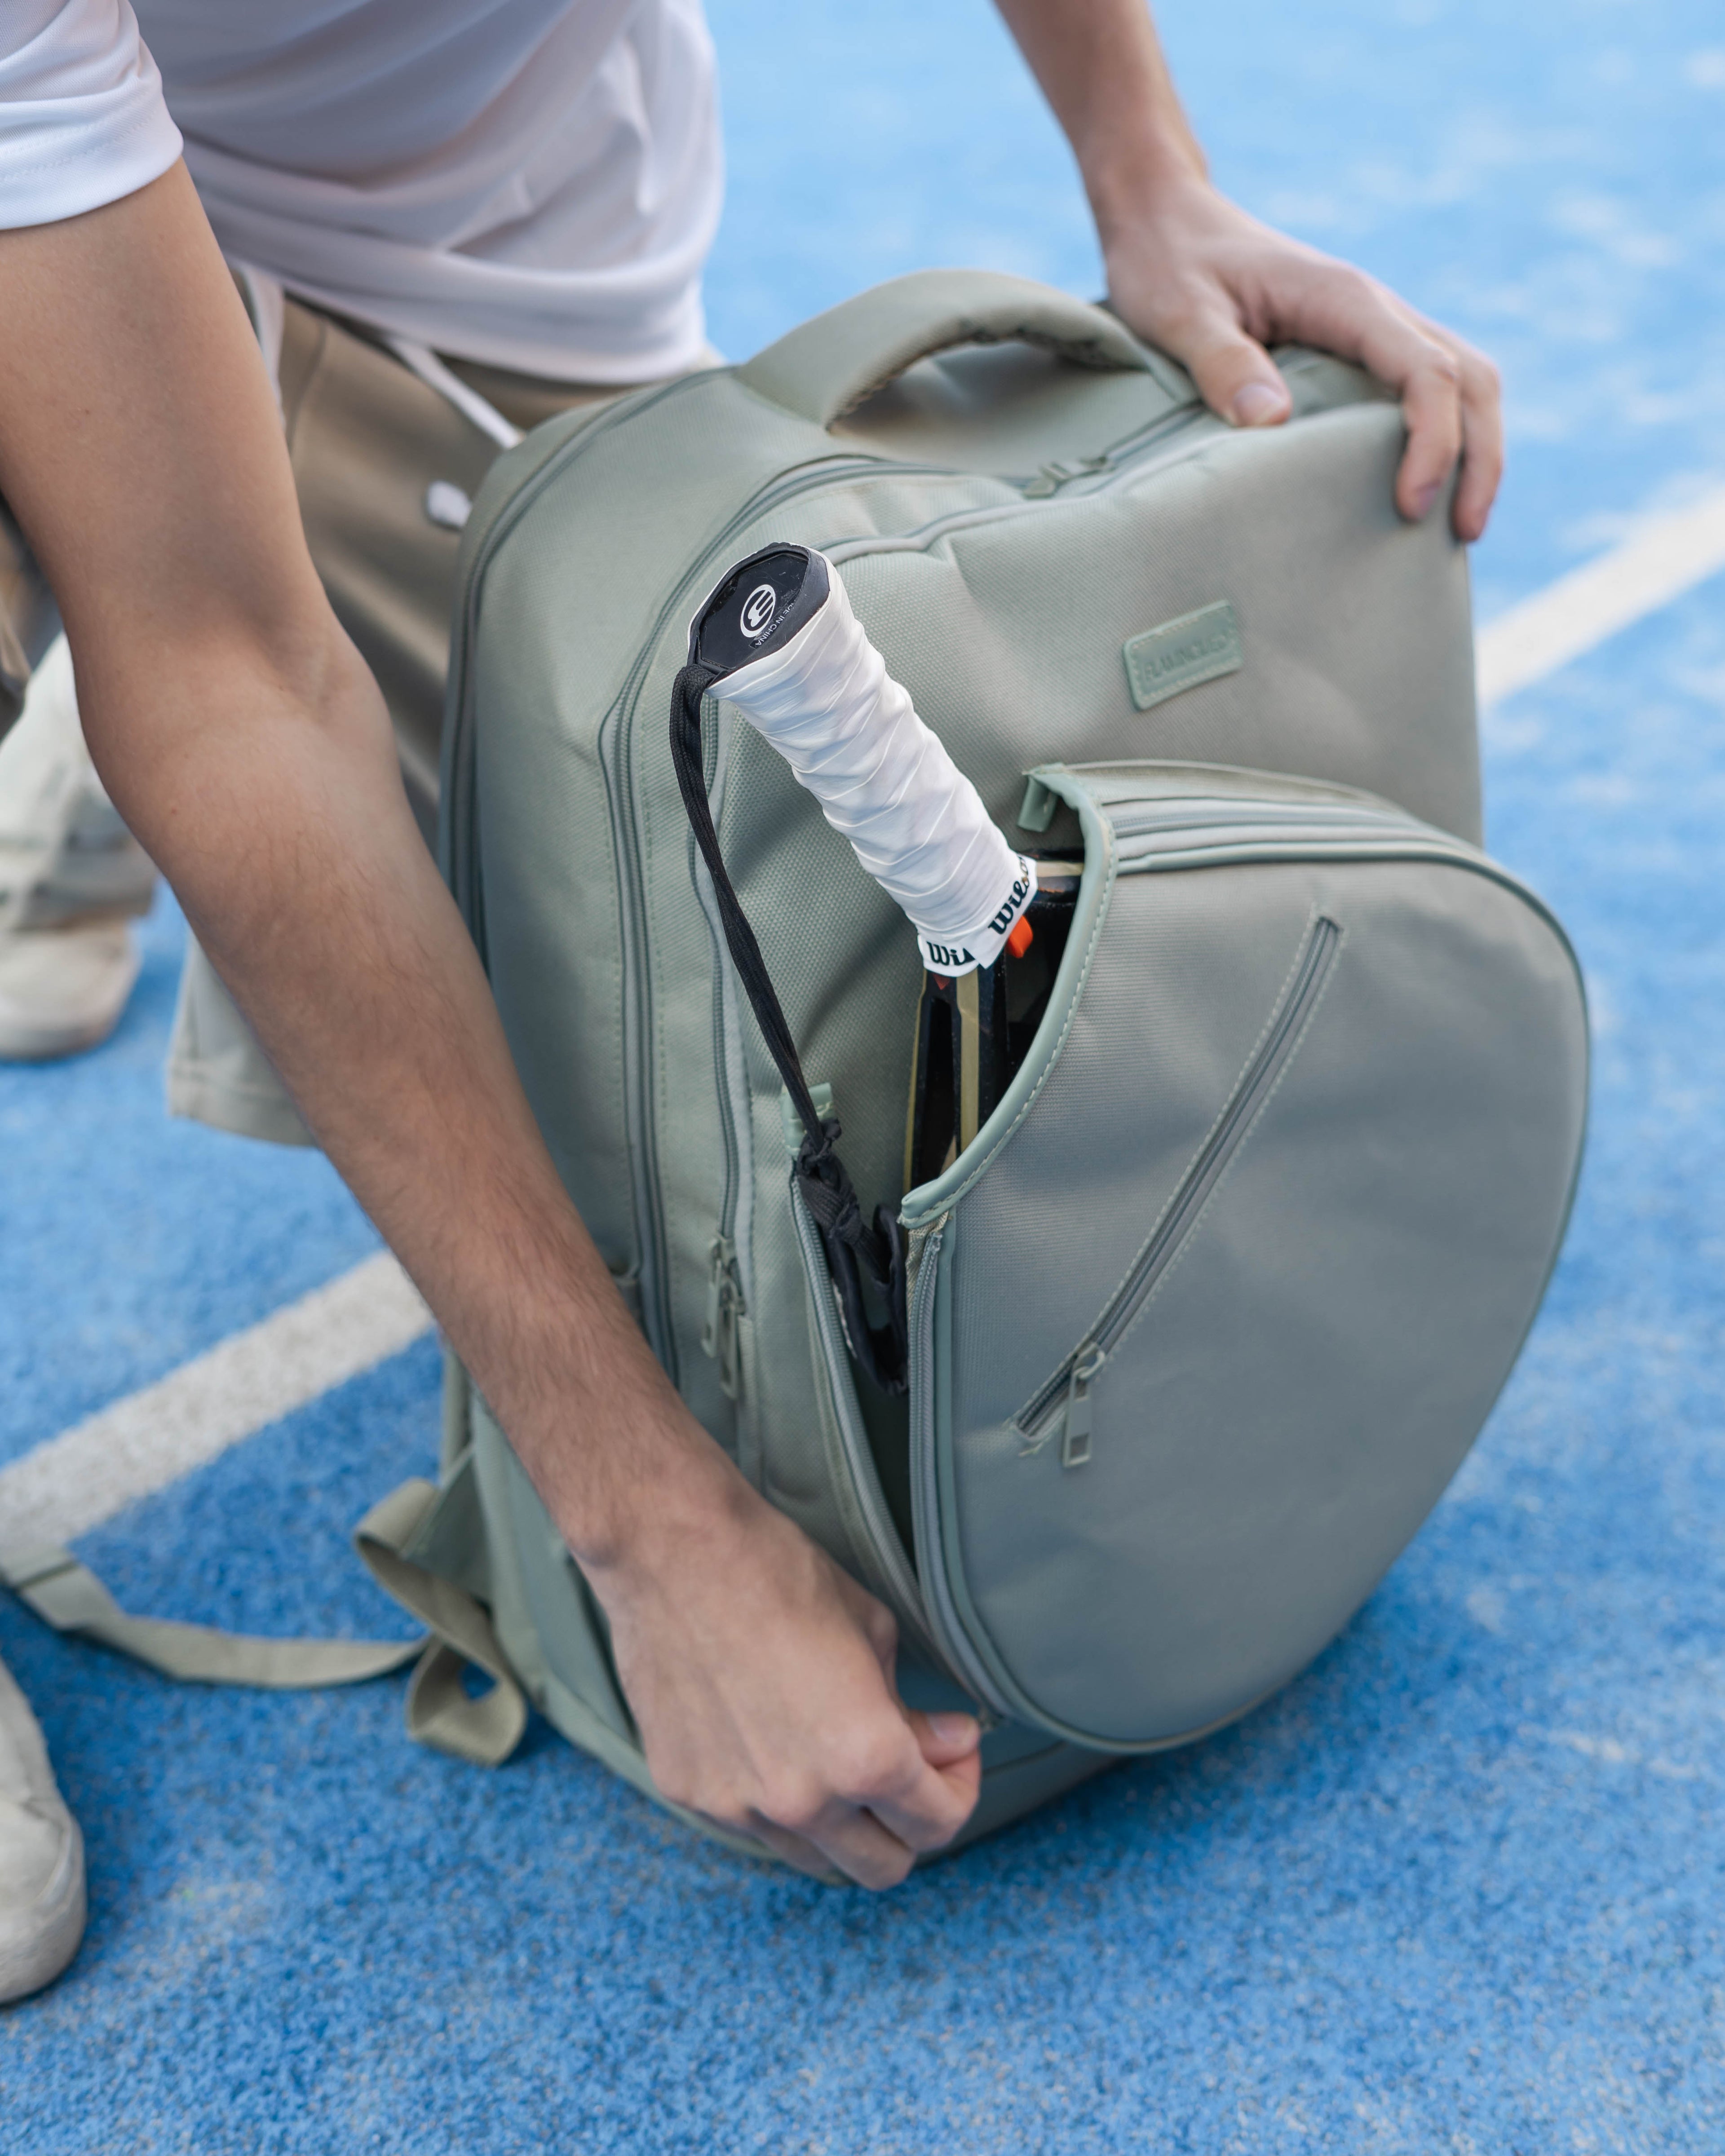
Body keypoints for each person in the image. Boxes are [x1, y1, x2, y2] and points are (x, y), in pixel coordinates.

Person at [0, 0, 1503, 1994]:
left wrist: (1150, 175)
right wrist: (651, 1531)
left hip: (489, 264)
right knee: (179, 618)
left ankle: (110, 663)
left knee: (669, 957)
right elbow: (230, 674)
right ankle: (75, 582)